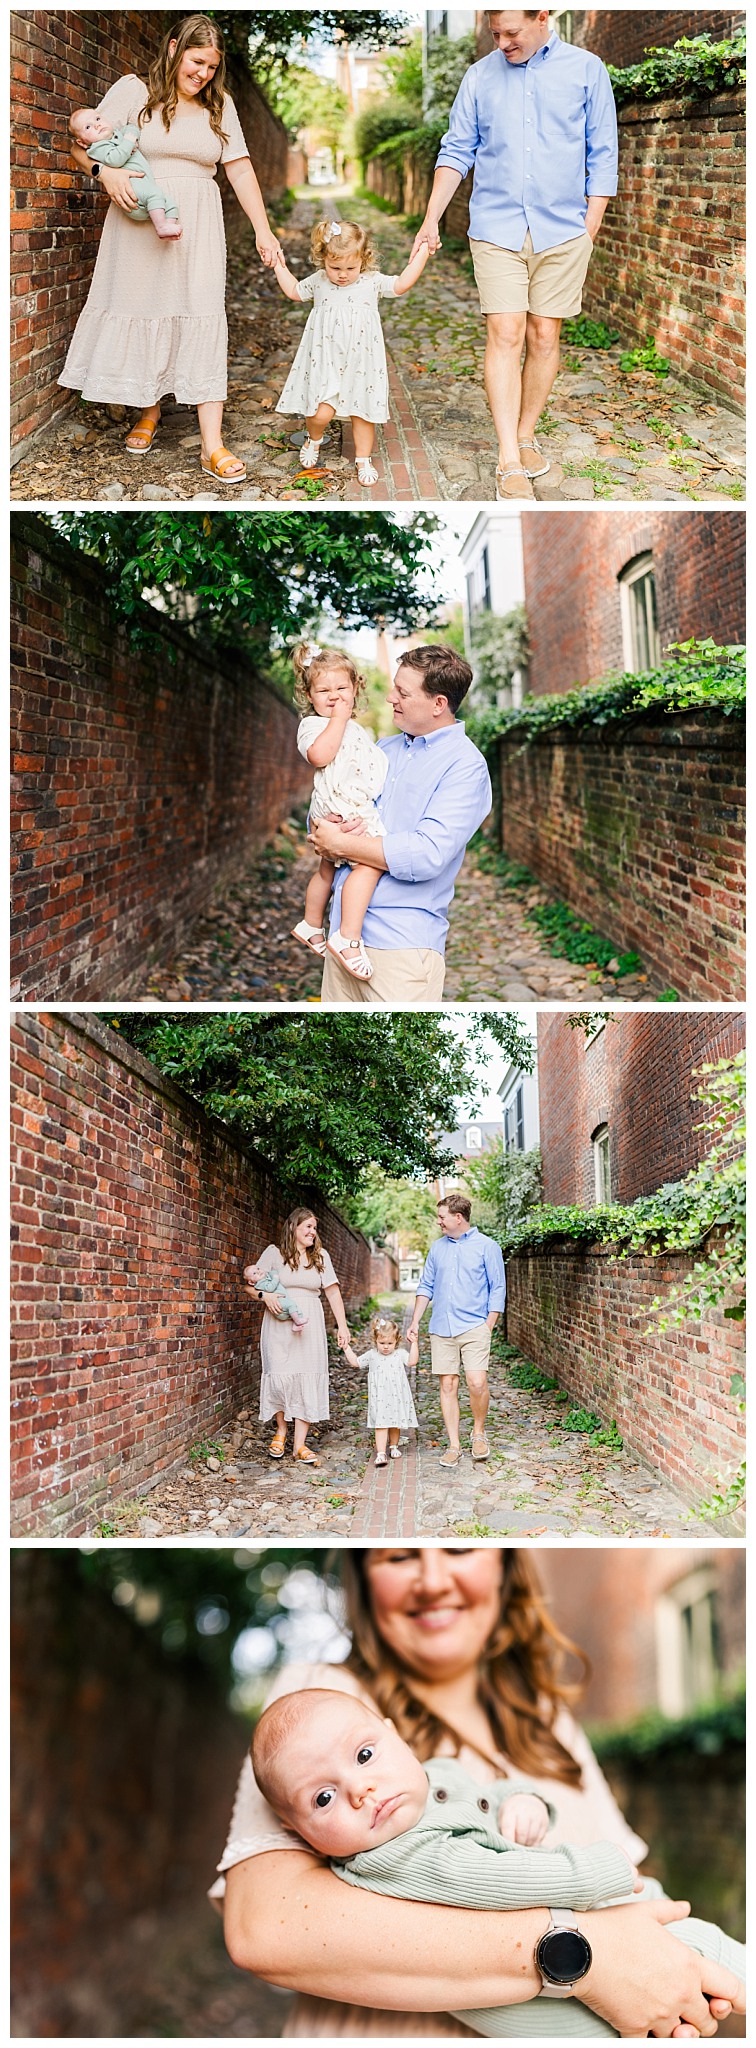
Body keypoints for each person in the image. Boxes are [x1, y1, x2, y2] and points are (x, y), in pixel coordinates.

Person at [216, 1546, 745, 2037]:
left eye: (460, 1549)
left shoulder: (544, 1717)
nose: (432, 1580)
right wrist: (583, 1954)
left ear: (503, 1565)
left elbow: (632, 1888)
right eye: (400, 1556)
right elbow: (268, 1929)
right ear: (364, 1578)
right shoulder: (320, 1704)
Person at [250, 1687, 745, 2039]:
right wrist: (596, 1871)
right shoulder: (394, 1856)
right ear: (300, 1834)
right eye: (323, 1798)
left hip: (588, 1953)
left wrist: (522, 1801)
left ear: (393, 1735)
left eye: (363, 1755)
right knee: (709, 1951)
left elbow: (489, 1797)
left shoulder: (436, 1776)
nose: (361, 1790)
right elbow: (499, 1880)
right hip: (542, 2011)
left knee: (682, 1970)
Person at [60, 14, 283, 485]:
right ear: (174, 47)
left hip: (199, 223)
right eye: (196, 61)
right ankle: (149, 412)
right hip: (137, 221)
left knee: (202, 313)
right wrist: (108, 175)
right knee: (146, 308)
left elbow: (240, 169)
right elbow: (82, 145)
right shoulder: (132, 91)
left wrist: (264, 231)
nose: (203, 74)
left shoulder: (219, 103)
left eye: (211, 67)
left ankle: (212, 444)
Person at [411, 9, 618, 501]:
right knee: (506, 332)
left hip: (564, 229)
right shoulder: (479, 77)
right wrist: (431, 216)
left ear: (543, 16)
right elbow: (456, 149)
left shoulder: (587, 69)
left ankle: (526, 434)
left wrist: (592, 221)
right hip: (497, 227)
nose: (501, 43)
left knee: (544, 334)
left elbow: (602, 150)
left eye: (512, 32)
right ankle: (508, 458)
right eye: (495, 33)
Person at [311, 646, 492, 1006]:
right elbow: (333, 801)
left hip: (402, 951)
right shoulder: (383, 748)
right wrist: (327, 824)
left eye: (403, 693)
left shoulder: (466, 767)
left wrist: (341, 845)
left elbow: (427, 854)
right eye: (395, 687)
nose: (390, 697)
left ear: (438, 704)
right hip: (343, 942)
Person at [272, 217, 430, 487]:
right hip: (326, 360)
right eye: (335, 267)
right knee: (320, 413)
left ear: (364, 260)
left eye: (350, 267)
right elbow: (294, 291)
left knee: (363, 412)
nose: (342, 274)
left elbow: (402, 284)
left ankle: (363, 459)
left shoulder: (371, 282)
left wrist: (425, 250)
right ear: (323, 260)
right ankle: (314, 438)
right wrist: (277, 262)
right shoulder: (320, 282)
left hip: (361, 361)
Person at [289, 643, 388, 981]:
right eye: (324, 690)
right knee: (371, 863)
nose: (334, 697)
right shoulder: (313, 726)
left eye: (341, 689)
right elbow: (320, 756)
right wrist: (340, 719)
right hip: (338, 806)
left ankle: (311, 923)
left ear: (356, 688)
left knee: (327, 871)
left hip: (345, 804)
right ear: (309, 694)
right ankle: (347, 936)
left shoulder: (357, 730)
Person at [407, 1194, 506, 1467]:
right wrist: (415, 1320)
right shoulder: (437, 1249)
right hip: (442, 1327)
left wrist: (489, 1325)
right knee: (448, 1384)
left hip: (475, 1326)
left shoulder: (488, 1247)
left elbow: (497, 1287)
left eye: (442, 1217)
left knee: (476, 1382)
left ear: (457, 1217)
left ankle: (478, 1432)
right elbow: (426, 1286)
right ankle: (453, 1444)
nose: (438, 1221)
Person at [248, 1207, 351, 1466]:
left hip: (310, 1323)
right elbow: (249, 1285)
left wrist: (343, 1326)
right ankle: (281, 1431)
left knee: (307, 1374)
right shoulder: (274, 1254)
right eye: (308, 1227)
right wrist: (265, 1295)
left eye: (315, 1228)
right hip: (278, 1324)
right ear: (293, 1227)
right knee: (280, 1375)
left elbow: (333, 1292)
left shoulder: (321, 1256)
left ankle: (300, 1444)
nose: (312, 1232)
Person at [68, 108, 182, 240]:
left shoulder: (118, 135)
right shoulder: (97, 148)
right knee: (154, 194)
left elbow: (132, 129)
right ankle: (161, 227)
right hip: (132, 191)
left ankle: (168, 228)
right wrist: (129, 142)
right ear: (82, 143)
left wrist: (131, 136)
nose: (97, 125)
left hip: (144, 186)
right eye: (88, 127)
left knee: (170, 203)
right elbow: (116, 159)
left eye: (98, 119)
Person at [342, 1313, 420, 1466]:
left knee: (395, 1422)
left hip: (396, 1396)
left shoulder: (399, 1354)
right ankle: (381, 1453)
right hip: (380, 1397)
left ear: (396, 1342)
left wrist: (415, 1343)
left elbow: (412, 1362)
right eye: (382, 1342)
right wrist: (346, 1347)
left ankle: (394, 1446)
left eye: (390, 1343)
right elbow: (356, 1362)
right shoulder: (372, 1355)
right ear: (375, 1340)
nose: (385, 1346)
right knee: (381, 1424)